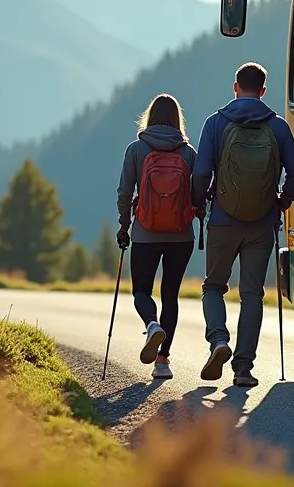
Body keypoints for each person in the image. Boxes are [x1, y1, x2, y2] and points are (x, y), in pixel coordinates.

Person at [192, 62, 294, 387]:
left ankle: (218, 341)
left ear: (235, 87)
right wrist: (282, 200)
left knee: (213, 286)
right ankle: (243, 369)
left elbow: (201, 173)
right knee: (252, 294)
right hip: (262, 223)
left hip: (223, 221)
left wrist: (199, 204)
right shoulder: (278, 127)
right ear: (263, 91)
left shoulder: (216, 123)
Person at [116, 93, 203, 380]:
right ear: (178, 118)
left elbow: (125, 193)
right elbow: (199, 188)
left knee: (142, 290)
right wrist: (197, 211)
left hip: (145, 232)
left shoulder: (136, 150)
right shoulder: (188, 153)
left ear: (150, 117)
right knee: (171, 295)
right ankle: (163, 361)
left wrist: (124, 225)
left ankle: (152, 325)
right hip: (181, 235)